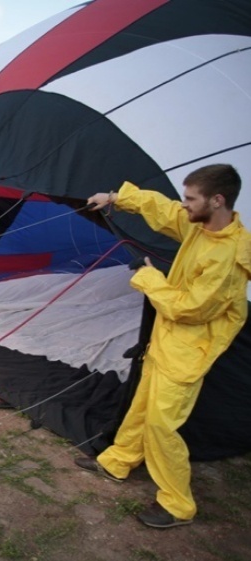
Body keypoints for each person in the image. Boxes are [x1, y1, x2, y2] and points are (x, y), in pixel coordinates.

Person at [77, 164, 251, 529]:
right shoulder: (201, 225)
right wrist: (116, 198)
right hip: (167, 340)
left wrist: (148, 277)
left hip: (190, 351)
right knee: (142, 406)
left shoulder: (229, 256)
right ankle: (118, 462)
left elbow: (191, 309)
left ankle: (178, 505)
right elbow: (165, 210)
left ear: (217, 200)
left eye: (191, 199)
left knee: (161, 426)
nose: (184, 205)